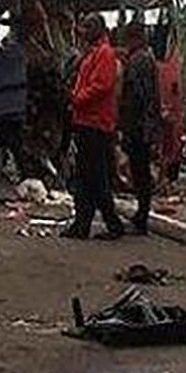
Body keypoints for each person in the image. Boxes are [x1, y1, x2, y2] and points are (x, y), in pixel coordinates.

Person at [63, 13, 125, 240]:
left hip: (95, 124)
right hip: (87, 122)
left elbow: (101, 86)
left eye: (88, 26)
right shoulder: (92, 54)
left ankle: (110, 224)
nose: (83, 31)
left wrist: (75, 99)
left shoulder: (103, 54)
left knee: (95, 177)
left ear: (99, 28)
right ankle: (83, 224)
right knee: (87, 177)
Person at [119, 21, 161, 235]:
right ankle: (141, 214)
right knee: (140, 170)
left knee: (140, 171)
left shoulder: (138, 60)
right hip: (145, 124)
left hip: (138, 125)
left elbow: (135, 96)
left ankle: (142, 216)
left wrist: (126, 124)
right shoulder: (148, 59)